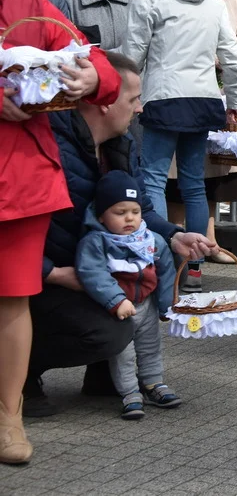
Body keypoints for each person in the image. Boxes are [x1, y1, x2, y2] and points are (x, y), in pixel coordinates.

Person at [27, 53, 214, 419]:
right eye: (133, 99)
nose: (140, 108)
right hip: (43, 278)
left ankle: (103, 374)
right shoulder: (47, 147)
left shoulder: (120, 144)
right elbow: (13, 231)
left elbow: (140, 209)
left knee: (160, 255)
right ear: (105, 100)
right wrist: (51, 273)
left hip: (89, 271)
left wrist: (175, 236)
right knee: (109, 331)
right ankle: (21, 375)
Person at [1, 0, 120, 464]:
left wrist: (93, 77)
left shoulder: (27, 4)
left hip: (20, 183)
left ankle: (8, 417)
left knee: (10, 300)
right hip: (22, 177)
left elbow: (99, 67)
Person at [123, 0, 237, 293]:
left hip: (162, 98)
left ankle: (162, 263)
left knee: (153, 179)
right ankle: (193, 267)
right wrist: (234, 102)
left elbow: (133, 55)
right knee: (194, 185)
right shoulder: (211, 0)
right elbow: (233, 58)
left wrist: (129, 95)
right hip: (204, 100)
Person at [163, 0, 237, 264]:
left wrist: (230, 54)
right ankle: (174, 237)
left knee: (214, 170)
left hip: (220, 92)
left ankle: (210, 241)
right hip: (183, 92)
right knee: (177, 172)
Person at [74, 170, 181, 420]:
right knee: (123, 352)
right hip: (118, 309)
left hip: (147, 305)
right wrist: (116, 300)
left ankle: (154, 383)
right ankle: (129, 392)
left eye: (135, 212)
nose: (129, 219)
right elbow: (93, 273)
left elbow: (166, 272)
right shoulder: (96, 241)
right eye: (119, 213)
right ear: (101, 215)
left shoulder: (150, 239)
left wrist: (168, 306)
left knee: (150, 346)